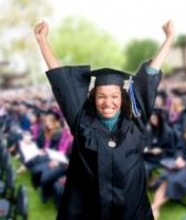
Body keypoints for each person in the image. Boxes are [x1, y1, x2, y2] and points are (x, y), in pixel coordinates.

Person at [35, 19, 174, 220]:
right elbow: (63, 83)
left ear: (122, 97)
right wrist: (42, 41)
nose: (108, 102)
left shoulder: (135, 120)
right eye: (101, 96)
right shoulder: (81, 120)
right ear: (93, 96)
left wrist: (169, 39)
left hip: (130, 211)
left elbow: (150, 76)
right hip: (90, 211)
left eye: (114, 96)